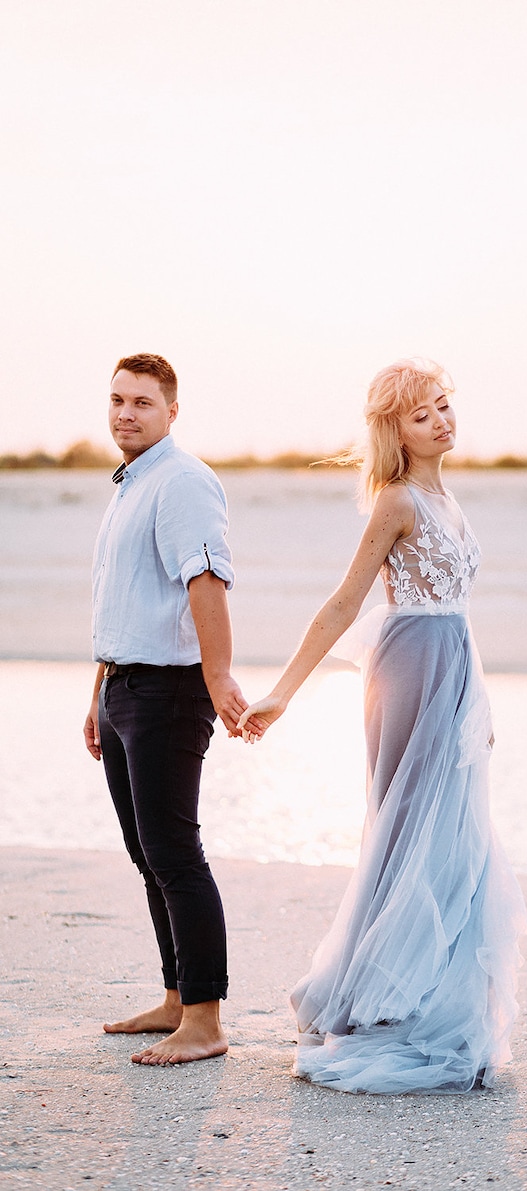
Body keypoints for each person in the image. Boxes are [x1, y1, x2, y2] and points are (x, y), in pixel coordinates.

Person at [238, 358, 527, 1093]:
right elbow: (343, 604)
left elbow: (460, 614)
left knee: (455, 831)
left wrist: (479, 704)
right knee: (407, 830)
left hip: (454, 669)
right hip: (409, 670)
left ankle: (434, 1004)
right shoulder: (397, 500)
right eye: (421, 414)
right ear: (394, 430)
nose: (440, 420)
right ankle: (379, 1004)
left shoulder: (450, 497)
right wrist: (282, 694)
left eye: (443, 406)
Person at [83, 353, 248, 1066]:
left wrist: (219, 677)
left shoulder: (182, 481)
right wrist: (96, 695)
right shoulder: (131, 484)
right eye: (118, 399)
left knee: (176, 853)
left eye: (143, 402)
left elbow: (205, 577)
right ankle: (178, 997)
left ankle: (206, 1018)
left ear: (171, 412)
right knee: (147, 854)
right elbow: (122, 599)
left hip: (168, 690)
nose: (126, 412)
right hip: (123, 688)